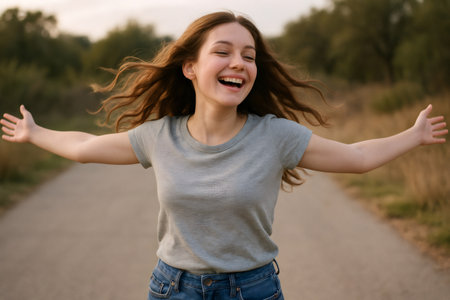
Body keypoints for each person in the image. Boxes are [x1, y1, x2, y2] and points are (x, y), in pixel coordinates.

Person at [1, 11, 447, 300]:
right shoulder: (160, 136)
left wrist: (412, 135)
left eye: (249, 56)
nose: (240, 62)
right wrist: (35, 132)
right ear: (190, 68)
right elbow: (83, 148)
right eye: (223, 51)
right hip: (173, 287)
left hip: (252, 288)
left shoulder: (276, 137)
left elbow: (357, 157)